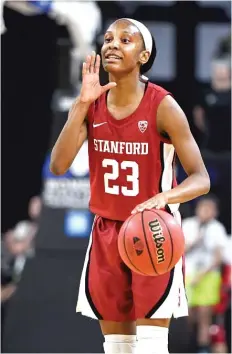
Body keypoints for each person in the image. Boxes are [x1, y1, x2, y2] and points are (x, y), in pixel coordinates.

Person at [50, 18, 210, 354]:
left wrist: (165, 197)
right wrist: (80, 104)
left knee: (150, 347)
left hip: (153, 230)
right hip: (107, 233)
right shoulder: (91, 106)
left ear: (143, 55)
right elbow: (59, 165)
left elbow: (201, 179)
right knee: (118, 348)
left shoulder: (163, 106)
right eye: (108, 39)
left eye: (125, 40)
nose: (112, 45)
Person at [182, 195, 228, 354]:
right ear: (197, 209)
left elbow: (218, 258)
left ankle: (203, 348)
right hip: (187, 275)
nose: (206, 211)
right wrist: (194, 241)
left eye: (210, 209)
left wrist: (201, 276)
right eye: (203, 208)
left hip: (208, 276)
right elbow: (179, 251)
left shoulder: (217, 228)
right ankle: (190, 343)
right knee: (188, 316)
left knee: (204, 314)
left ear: (215, 212)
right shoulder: (187, 225)